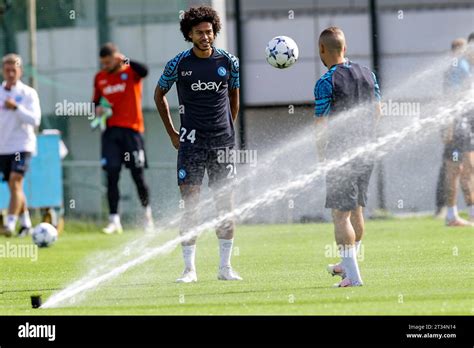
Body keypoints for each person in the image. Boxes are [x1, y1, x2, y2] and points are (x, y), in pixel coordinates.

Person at [154, 6, 241, 283]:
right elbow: (159, 95)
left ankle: (225, 268)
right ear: (189, 35)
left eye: (209, 31)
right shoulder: (178, 64)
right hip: (191, 145)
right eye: (199, 32)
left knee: (224, 205)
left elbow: (234, 96)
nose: (206, 36)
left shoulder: (229, 61)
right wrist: (171, 132)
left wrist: (227, 128)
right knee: (190, 205)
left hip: (222, 144)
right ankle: (189, 269)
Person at [313, 27, 381, 287]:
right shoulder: (367, 73)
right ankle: (347, 264)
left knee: (340, 216)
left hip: (341, 154)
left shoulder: (325, 81)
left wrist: (322, 158)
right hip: (366, 150)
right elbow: (377, 111)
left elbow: (321, 125)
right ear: (345, 46)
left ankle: (352, 276)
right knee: (357, 212)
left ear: (322, 50)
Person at [92, 43, 153, 234]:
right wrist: (98, 109)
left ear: (116, 58)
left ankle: (147, 216)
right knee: (111, 173)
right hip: (110, 132)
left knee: (138, 175)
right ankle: (114, 220)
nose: (105, 66)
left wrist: (126, 59)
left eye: (108, 62)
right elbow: (95, 102)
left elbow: (145, 71)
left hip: (132, 131)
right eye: (102, 63)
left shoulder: (130, 71)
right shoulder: (100, 77)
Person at [0, 53, 41, 237]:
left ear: (20, 71)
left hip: (22, 145)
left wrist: (16, 108)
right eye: (7, 70)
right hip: (3, 147)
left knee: (15, 180)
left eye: (13, 70)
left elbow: (35, 120)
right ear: (3, 71)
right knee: (14, 187)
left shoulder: (28, 93)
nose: (10, 73)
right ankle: (26, 224)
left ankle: (9, 223)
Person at [441, 38, 473, 226]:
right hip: (458, 123)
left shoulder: (462, 66)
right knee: (459, 168)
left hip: (461, 122)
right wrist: (450, 125)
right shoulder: (459, 66)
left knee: (460, 168)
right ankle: (453, 215)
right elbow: (452, 99)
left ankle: (454, 214)